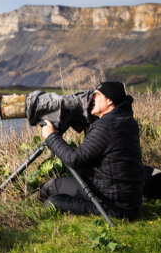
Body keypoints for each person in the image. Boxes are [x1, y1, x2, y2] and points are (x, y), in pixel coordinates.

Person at [39, 81, 144, 220]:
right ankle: (37, 194)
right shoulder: (126, 121)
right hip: (126, 200)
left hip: (110, 204)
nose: (91, 98)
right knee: (56, 185)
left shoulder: (106, 126)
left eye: (97, 95)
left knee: (52, 201)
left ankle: (29, 204)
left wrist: (51, 136)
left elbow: (74, 160)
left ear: (109, 101)